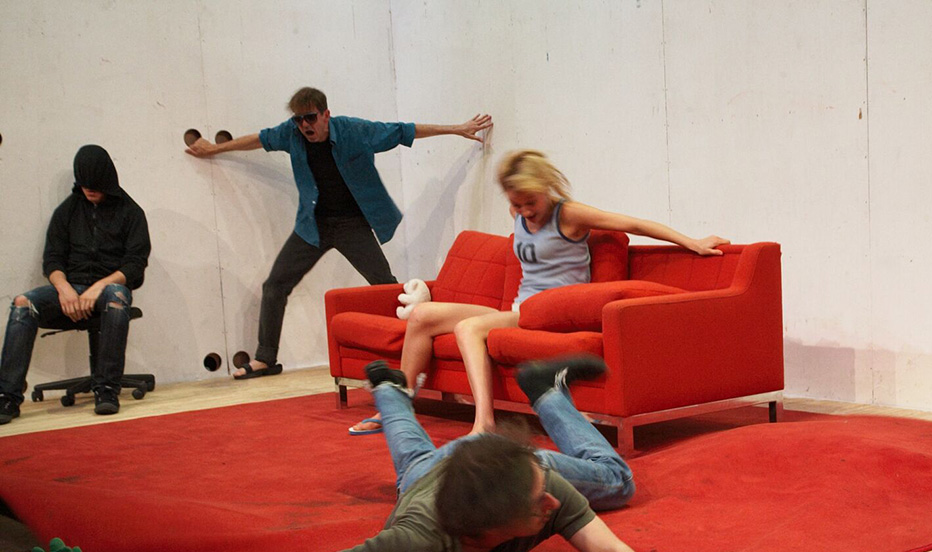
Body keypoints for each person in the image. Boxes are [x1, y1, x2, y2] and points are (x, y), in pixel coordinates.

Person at [200, 355, 674, 552]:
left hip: (474, 464)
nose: (553, 505)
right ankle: (392, 389)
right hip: (427, 482)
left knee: (616, 479)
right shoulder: (412, 546)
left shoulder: (539, 483)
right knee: (412, 457)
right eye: (539, 508)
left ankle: (399, 388)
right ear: (489, 531)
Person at [350, 149, 730, 434]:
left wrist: (692, 242)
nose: (524, 211)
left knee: (468, 329)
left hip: (550, 313)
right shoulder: (518, 214)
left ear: (546, 190)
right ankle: (397, 407)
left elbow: (633, 223)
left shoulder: (569, 214)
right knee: (420, 316)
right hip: (520, 309)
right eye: (516, 204)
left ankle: (484, 421)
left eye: (530, 203)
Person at [185, 86, 492, 379]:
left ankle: (412, 347)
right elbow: (259, 140)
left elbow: (403, 131)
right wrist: (215, 149)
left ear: (325, 114)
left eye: (310, 118)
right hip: (313, 226)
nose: (304, 125)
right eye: (298, 119)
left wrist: (456, 128)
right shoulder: (291, 134)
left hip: (352, 225)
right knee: (275, 285)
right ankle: (265, 358)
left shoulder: (354, 131)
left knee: (384, 287)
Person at [0, 145, 151, 423]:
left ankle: (107, 390)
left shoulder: (131, 212)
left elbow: (134, 265)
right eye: (84, 185)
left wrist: (98, 288)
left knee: (117, 295)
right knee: (23, 303)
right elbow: (52, 260)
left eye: (95, 185)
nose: (89, 190)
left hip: (108, 290)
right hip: (69, 290)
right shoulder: (67, 211)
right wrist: (65, 289)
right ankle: (7, 397)